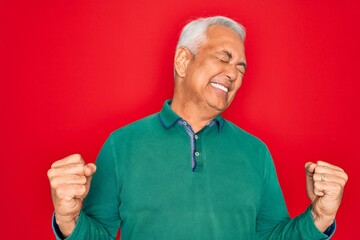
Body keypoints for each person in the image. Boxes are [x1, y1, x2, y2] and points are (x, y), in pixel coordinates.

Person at [47, 16, 348, 240]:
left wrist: (321, 216)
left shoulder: (256, 152)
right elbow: (97, 234)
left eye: (241, 68)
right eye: (223, 58)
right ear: (182, 61)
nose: (233, 74)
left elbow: (274, 237)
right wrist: (68, 218)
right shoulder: (121, 144)